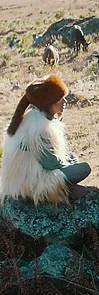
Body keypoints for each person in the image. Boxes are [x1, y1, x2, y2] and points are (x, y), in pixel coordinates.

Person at [1, 74, 91, 205]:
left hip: (23, 180)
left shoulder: (32, 117)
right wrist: (68, 165)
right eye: (60, 99)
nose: (65, 102)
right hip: (32, 185)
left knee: (72, 157)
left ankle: (67, 188)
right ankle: (62, 191)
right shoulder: (39, 127)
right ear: (49, 102)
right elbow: (51, 164)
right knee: (84, 168)